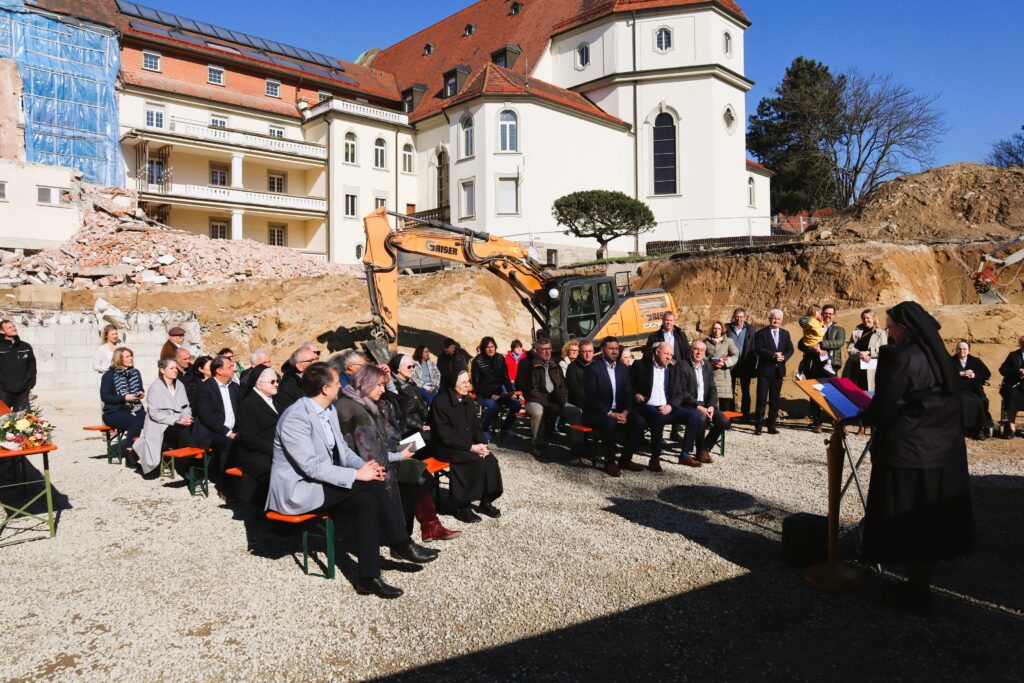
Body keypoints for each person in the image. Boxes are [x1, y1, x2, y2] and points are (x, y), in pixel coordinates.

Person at [266, 362, 435, 599]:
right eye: (337, 383)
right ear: (325, 389)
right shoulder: (295, 417)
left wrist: (365, 467)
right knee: (371, 484)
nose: (341, 385)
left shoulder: (328, 410)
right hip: (300, 490)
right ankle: (400, 542)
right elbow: (311, 467)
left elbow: (343, 452)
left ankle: (368, 577)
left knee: (368, 499)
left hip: (323, 483)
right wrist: (357, 475)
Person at [858, 301, 975, 616]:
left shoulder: (904, 357)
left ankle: (916, 595)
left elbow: (884, 406)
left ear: (905, 328)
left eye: (891, 325)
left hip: (911, 454)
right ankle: (917, 585)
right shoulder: (939, 357)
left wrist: (860, 415)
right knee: (928, 525)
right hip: (942, 454)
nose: (888, 331)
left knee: (913, 525)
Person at [338, 365, 459, 543]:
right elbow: (370, 453)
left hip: (388, 452)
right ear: (366, 384)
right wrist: (400, 455)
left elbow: (390, 432)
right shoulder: (356, 409)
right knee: (416, 475)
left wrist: (399, 449)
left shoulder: (373, 404)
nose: (383, 390)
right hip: (368, 466)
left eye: (384, 385)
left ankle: (424, 527)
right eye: (379, 385)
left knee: (421, 462)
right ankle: (424, 527)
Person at [427, 368, 504, 523]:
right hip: (445, 446)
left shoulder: (468, 400)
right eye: (463, 382)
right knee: (470, 460)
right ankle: (462, 506)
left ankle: (486, 500)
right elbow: (444, 435)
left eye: (468, 381)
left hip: (466, 444)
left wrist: (482, 444)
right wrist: (471, 447)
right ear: (452, 384)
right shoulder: (440, 402)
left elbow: (476, 426)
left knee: (490, 460)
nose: (467, 385)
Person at [630, 341, 693, 472]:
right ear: (657, 352)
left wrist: (671, 406)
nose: (669, 357)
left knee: (694, 417)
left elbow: (679, 393)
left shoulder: (672, 369)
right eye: (666, 353)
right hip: (647, 406)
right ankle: (655, 458)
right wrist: (635, 394)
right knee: (658, 418)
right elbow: (627, 385)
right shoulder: (641, 365)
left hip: (666, 407)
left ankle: (685, 455)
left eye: (671, 354)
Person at [583, 336, 640, 477]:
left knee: (639, 421)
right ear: (602, 350)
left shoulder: (623, 368)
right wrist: (610, 413)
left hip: (619, 411)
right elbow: (591, 397)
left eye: (616, 348)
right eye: (611, 348)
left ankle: (625, 460)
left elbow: (628, 393)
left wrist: (626, 412)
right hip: (596, 412)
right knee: (608, 422)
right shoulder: (593, 368)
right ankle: (610, 462)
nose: (614, 351)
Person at [516, 338, 582, 457]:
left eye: (549, 349)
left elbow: (563, 385)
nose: (547, 352)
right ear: (536, 351)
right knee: (538, 412)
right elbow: (529, 389)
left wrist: (561, 399)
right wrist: (548, 402)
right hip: (534, 401)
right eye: (543, 350)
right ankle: (538, 444)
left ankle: (577, 445)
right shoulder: (529, 365)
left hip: (554, 400)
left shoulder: (554, 365)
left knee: (576, 412)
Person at [136, 358, 193, 478]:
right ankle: (185, 469)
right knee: (183, 431)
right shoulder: (155, 387)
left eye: (176, 367)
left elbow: (186, 406)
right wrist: (176, 420)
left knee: (193, 427)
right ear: (162, 370)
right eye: (171, 368)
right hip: (160, 424)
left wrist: (187, 417)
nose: (175, 370)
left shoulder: (180, 385)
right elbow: (154, 413)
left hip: (179, 421)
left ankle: (191, 465)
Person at [677, 340, 731, 465]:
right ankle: (700, 451)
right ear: (691, 350)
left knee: (724, 421)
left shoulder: (707, 366)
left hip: (706, 404)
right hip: (690, 405)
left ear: (705, 352)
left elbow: (712, 389)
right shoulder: (683, 365)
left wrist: (712, 406)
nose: (699, 352)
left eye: (702, 350)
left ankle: (705, 447)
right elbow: (683, 391)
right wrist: (698, 406)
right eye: (696, 349)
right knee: (700, 418)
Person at [192, 354, 240, 489]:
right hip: (211, 432)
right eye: (230, 367)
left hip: (233, 430)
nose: (234, 369)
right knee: (229, 443)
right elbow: (208, 417)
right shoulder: (204, 389)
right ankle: (225, 485)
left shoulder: (235, 388)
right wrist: (228, 432)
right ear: (219, 370)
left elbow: (242, 411)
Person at [233, 364, 279, 504]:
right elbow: (249, 439)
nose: (276, 384)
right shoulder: (248, 404)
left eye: (277, 381)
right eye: (272, 382)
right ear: (258, 385)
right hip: (255, 453)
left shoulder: (276, 399)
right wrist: (276, 450)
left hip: (274, 448)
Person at [800, 304, 846, 433]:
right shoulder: (813, 326)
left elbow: (839, 342)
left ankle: (837, 424)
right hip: (813, 365)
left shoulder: (839, 329)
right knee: (814, 395)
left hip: (830, 366)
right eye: (825, 313)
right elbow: (801, 344)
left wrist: (820, 344)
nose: (827, 315)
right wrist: (812, 347)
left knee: (832, 395)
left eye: (830, 313)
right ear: (821, 314)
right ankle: (817, 423)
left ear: (834, 315)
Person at [100, 347, 146, 461]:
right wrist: (124, 397)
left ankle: (156, 449)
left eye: (131, 356)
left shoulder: (135, 372)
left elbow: (140, 388)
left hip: (136, 408)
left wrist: (140, 393)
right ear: (119, 359)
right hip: (114, 412)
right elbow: (105, 397)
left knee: (152, 419)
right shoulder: (109, 375)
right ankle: (130, 452)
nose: (131, 358)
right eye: (127, 356)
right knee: (135, 422)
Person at [753, 309, 794, 436]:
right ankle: (758, 426)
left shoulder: (785, 334)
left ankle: (771, 425)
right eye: (774, 318)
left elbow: (790, 349)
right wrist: (772, 355)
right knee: (761, 399)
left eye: (778, 319)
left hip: (778, 371)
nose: (776, 321)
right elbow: (758, 349)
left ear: (781, 321)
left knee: (775, 400)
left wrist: (784, 357)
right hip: (765, 371)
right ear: (769, 319)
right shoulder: (761, 333)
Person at [471, 336, 519, 440]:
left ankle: (505, 429)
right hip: (483, 394)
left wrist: (510, 392)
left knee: (516, 405)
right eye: (488, 347)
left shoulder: (500, 358)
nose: (491, 349)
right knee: (494, 406)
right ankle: (483, 429)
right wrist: (489, 395)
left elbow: (506, 377)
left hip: (499, 393)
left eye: (492, 346)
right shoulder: (477, 361)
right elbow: (476, 383)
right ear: (483, 348)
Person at [950, 341, 993, 441]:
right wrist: (961, 373)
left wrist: (975, 375)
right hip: (957, 390)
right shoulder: (950, 361)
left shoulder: (975, 361)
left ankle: (979, 429)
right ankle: (962, 429)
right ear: (956, 350)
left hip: (974, 390)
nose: (962, 351)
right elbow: (945, 375)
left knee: (980, 401)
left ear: (968, 350)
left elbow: (987, 374)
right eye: (959, 349)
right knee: (963, 401)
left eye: (964, 349)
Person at [843, 309, 887, 393]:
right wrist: (858, 353)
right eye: (863, 318)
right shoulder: (857, 331)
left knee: (868, 393)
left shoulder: (881, 333)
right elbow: (850, 347)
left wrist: (869, 352)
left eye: (868, 318)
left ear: (873, 318)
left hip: (871, 369)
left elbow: (884, 350)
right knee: (853, 392)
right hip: (855, 367)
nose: (865, 320)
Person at [726, 307, 757, 420]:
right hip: (730, 364)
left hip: (745, 363)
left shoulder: (751, 330)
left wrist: (753, 363)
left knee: (745, 390)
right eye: (737, 316)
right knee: (729, 390)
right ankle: (730, 415)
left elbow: (753, 347)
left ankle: (745, 415)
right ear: (734, 317)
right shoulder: (727, 328)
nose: (739, 319)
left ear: (745, 317)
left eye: (741, 317)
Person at [0, 319, 37, 412]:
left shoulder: (25, 347)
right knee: (2, 420)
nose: (13, 328)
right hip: (3, 391)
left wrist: (30, 384)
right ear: (2, 331)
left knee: (23, 421)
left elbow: (32, 366)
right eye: (10, 327)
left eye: (13, 326)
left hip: (23, 391)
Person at [392, 354, 431, 435]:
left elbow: (422, 405)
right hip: (407, 429)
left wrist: (430, 421)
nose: (412, 369)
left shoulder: (412, 383)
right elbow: (402, 415)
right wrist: (421, 426)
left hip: (420, 425)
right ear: (399, 368)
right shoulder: (395, 387)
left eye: (413, 366)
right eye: (409, 367)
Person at [705, 321, 739, 412]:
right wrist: (710, 361)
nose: (717, 330)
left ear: (722, 330)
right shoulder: (706, 341)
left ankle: (726, 424)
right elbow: (702, 356)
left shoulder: (728, 341)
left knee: (725, 402)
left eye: (719, 328)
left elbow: (735, 355)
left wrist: (725, 363)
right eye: (715, 328)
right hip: (710, 374)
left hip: (724, 375)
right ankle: (712, 423)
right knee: (711, 401)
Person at [275, 344, 318, 412]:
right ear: (299, 366)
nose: (316, 363)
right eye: (311, 361)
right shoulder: (287, 388)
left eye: (316, 359)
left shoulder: (317, 376)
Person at [998, 335, 1024, 438]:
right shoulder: (1013, 355)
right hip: (1015, 385)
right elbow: (1002, 370)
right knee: (1011, 397)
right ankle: (1011, 429)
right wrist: (1018, 371)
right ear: (1019, 343)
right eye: (1022, 342)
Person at [565, 340, 594, 409]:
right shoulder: (572, 367)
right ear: (579, 352)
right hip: (581, 404)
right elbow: (575, 390)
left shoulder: (597, 365)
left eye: (590, 351)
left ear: (593, 352)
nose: (588, 354)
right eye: (585, 352)